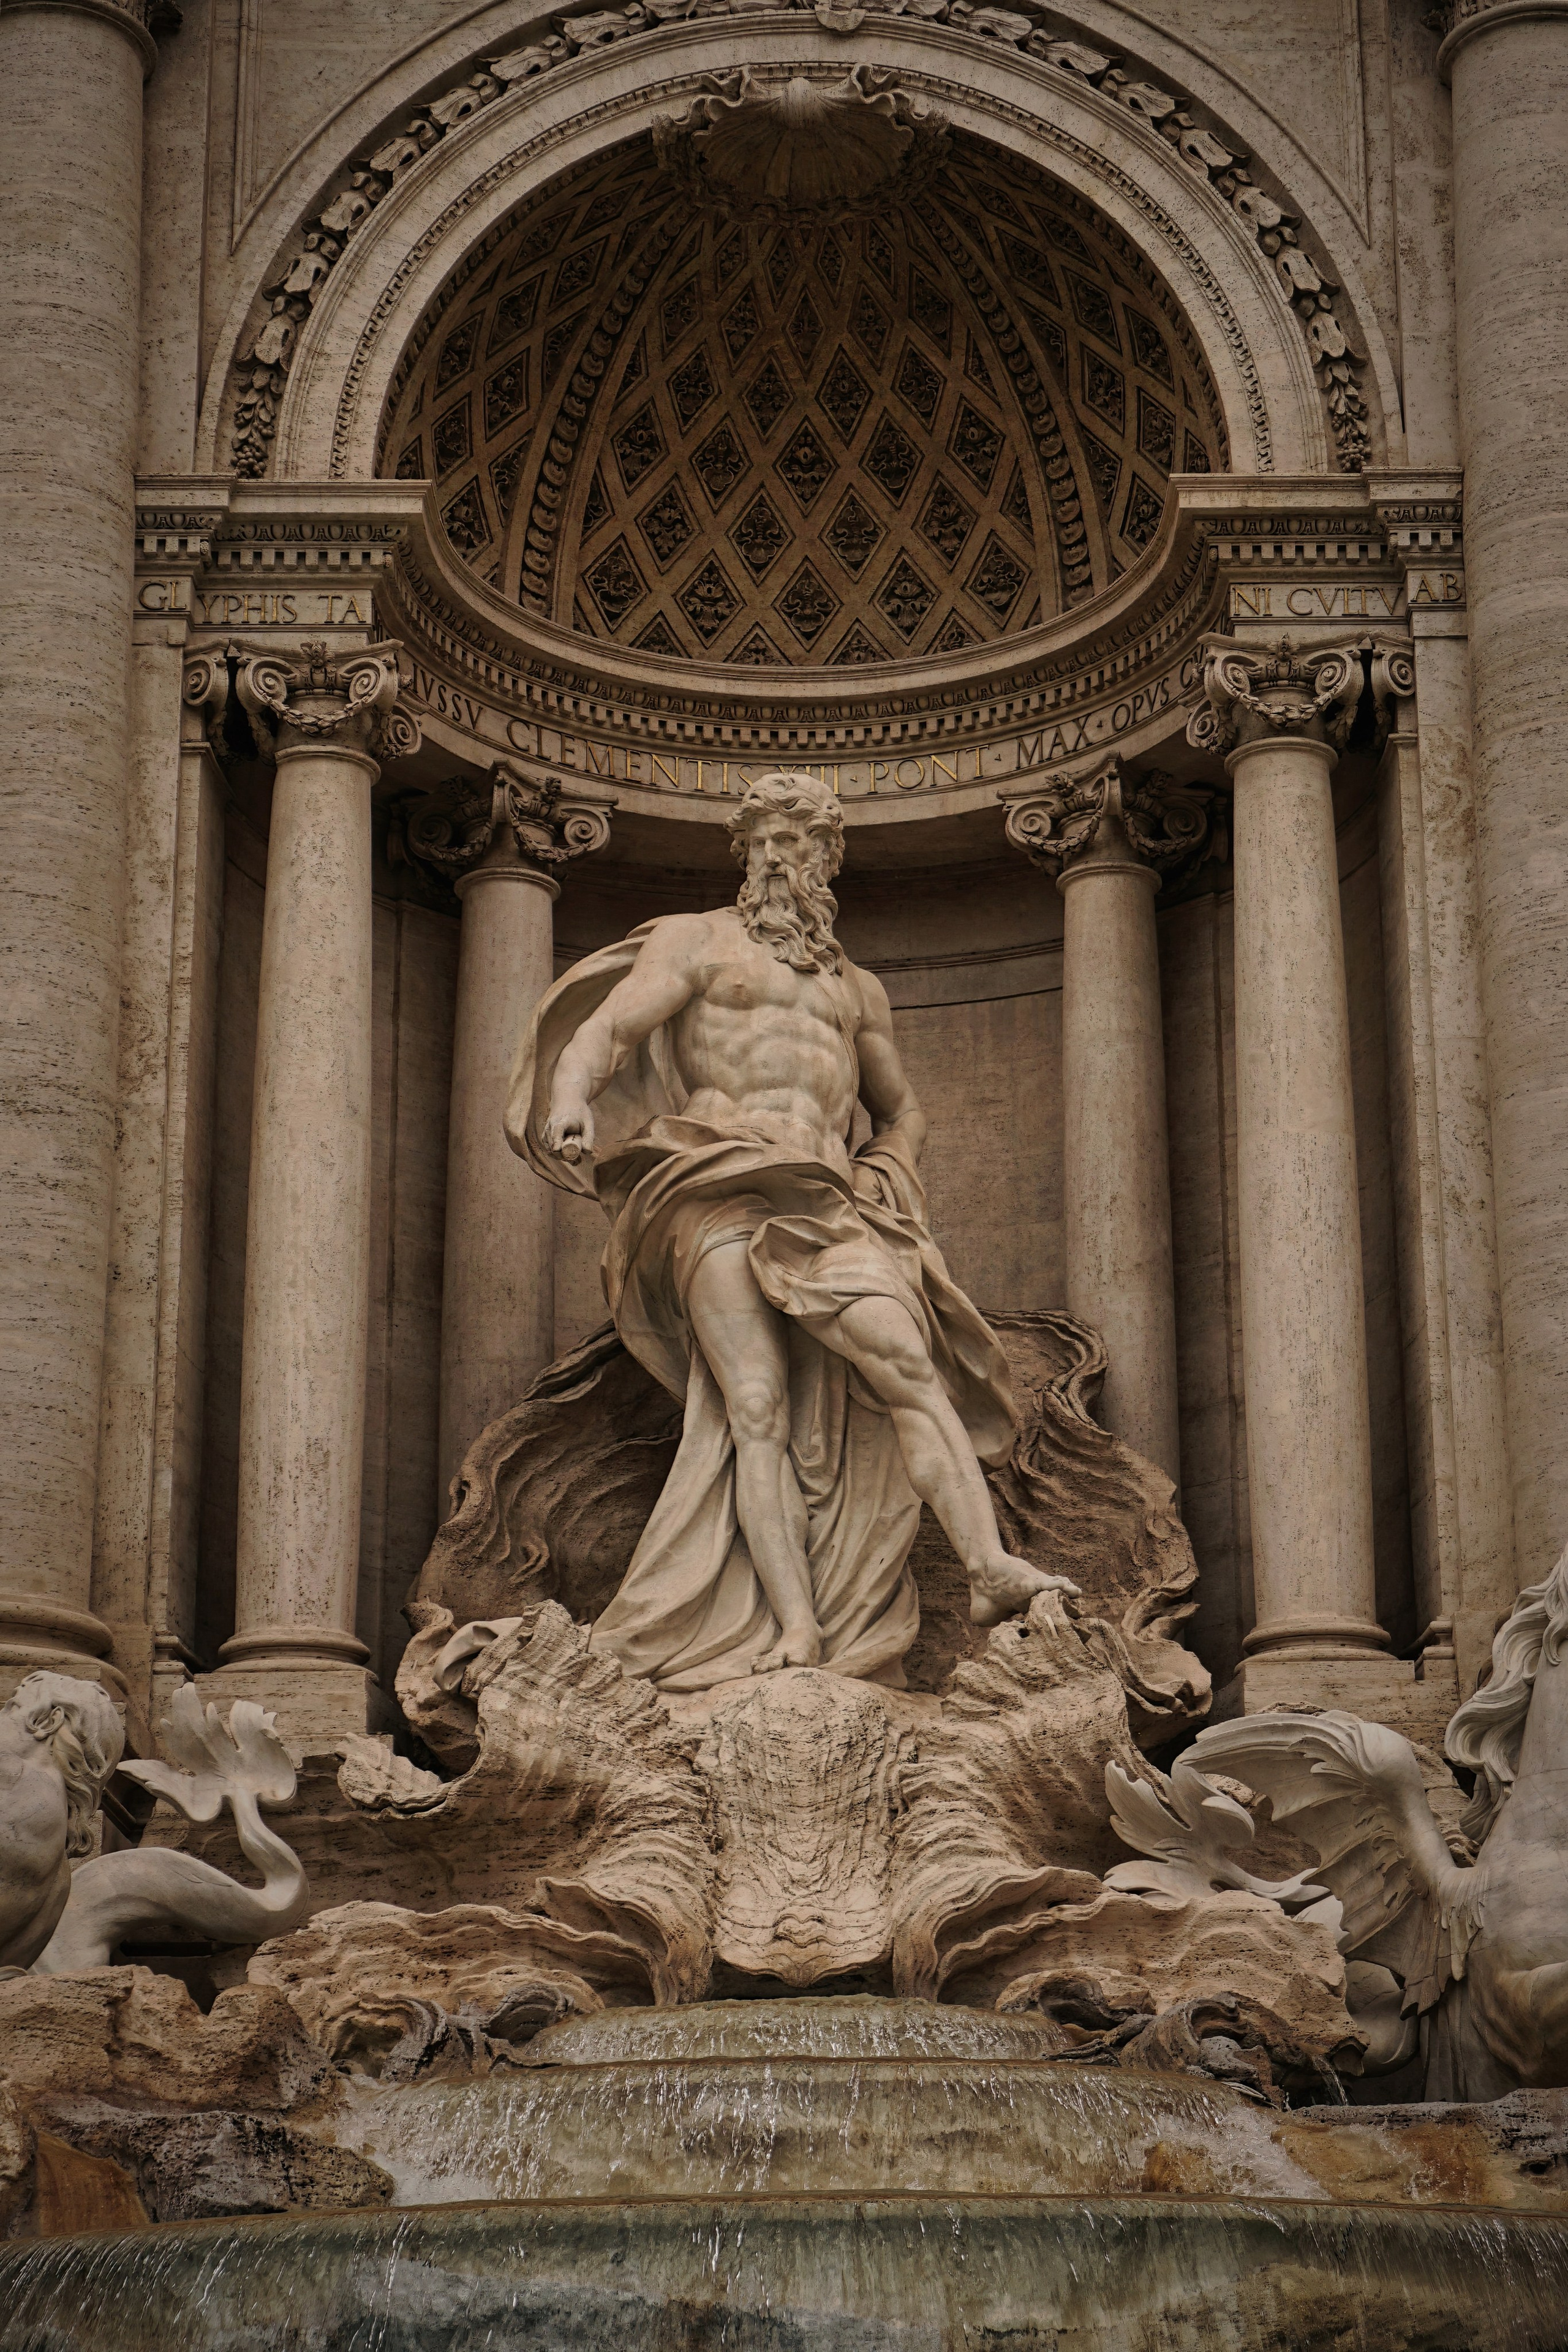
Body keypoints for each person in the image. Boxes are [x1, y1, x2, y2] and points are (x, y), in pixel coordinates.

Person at [507, 769, 1073, 1690]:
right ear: (743, 854)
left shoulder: (858, 991)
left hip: (829, 1198)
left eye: (797, 840)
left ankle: (987, 1568)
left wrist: (888, 1177)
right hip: (717, 1183)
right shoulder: (698, 943)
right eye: (763, 840)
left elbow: (903, 1111)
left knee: (910, 1366)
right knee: (755, 1409)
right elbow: (608, 1032)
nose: (777, 856)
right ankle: (797, 1629)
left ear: (828, 858)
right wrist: (570, 1096)